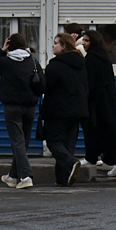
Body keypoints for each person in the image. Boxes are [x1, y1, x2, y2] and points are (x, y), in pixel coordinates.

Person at [0, 32, 41, 189]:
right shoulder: (33, 62)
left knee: (17, 142)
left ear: (9, 45)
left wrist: (2, 50)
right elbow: (42, 83)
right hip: (30, 106)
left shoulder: (6, 62)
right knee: (23, 142)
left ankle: (26, 176)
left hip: (12, 107)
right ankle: (12, 176)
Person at [79, 29, 116, 177]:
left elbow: (90, 83)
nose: (84, 43)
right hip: (109, 101)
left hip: (96, 103)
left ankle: (91, 158)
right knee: (112, 132)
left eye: (86, 40)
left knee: (92, 131)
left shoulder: (91, 59)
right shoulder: (105, 57)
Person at [42, 32, 88, 187]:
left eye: (56, 43)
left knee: (54, 142)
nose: (53, 46)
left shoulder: (54, 66)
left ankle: (71, 161)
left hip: (57, 110)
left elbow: (47, 88)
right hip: (77, 110)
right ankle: (62, 179)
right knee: (68, 144)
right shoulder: (80, 64)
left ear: (64, 46)